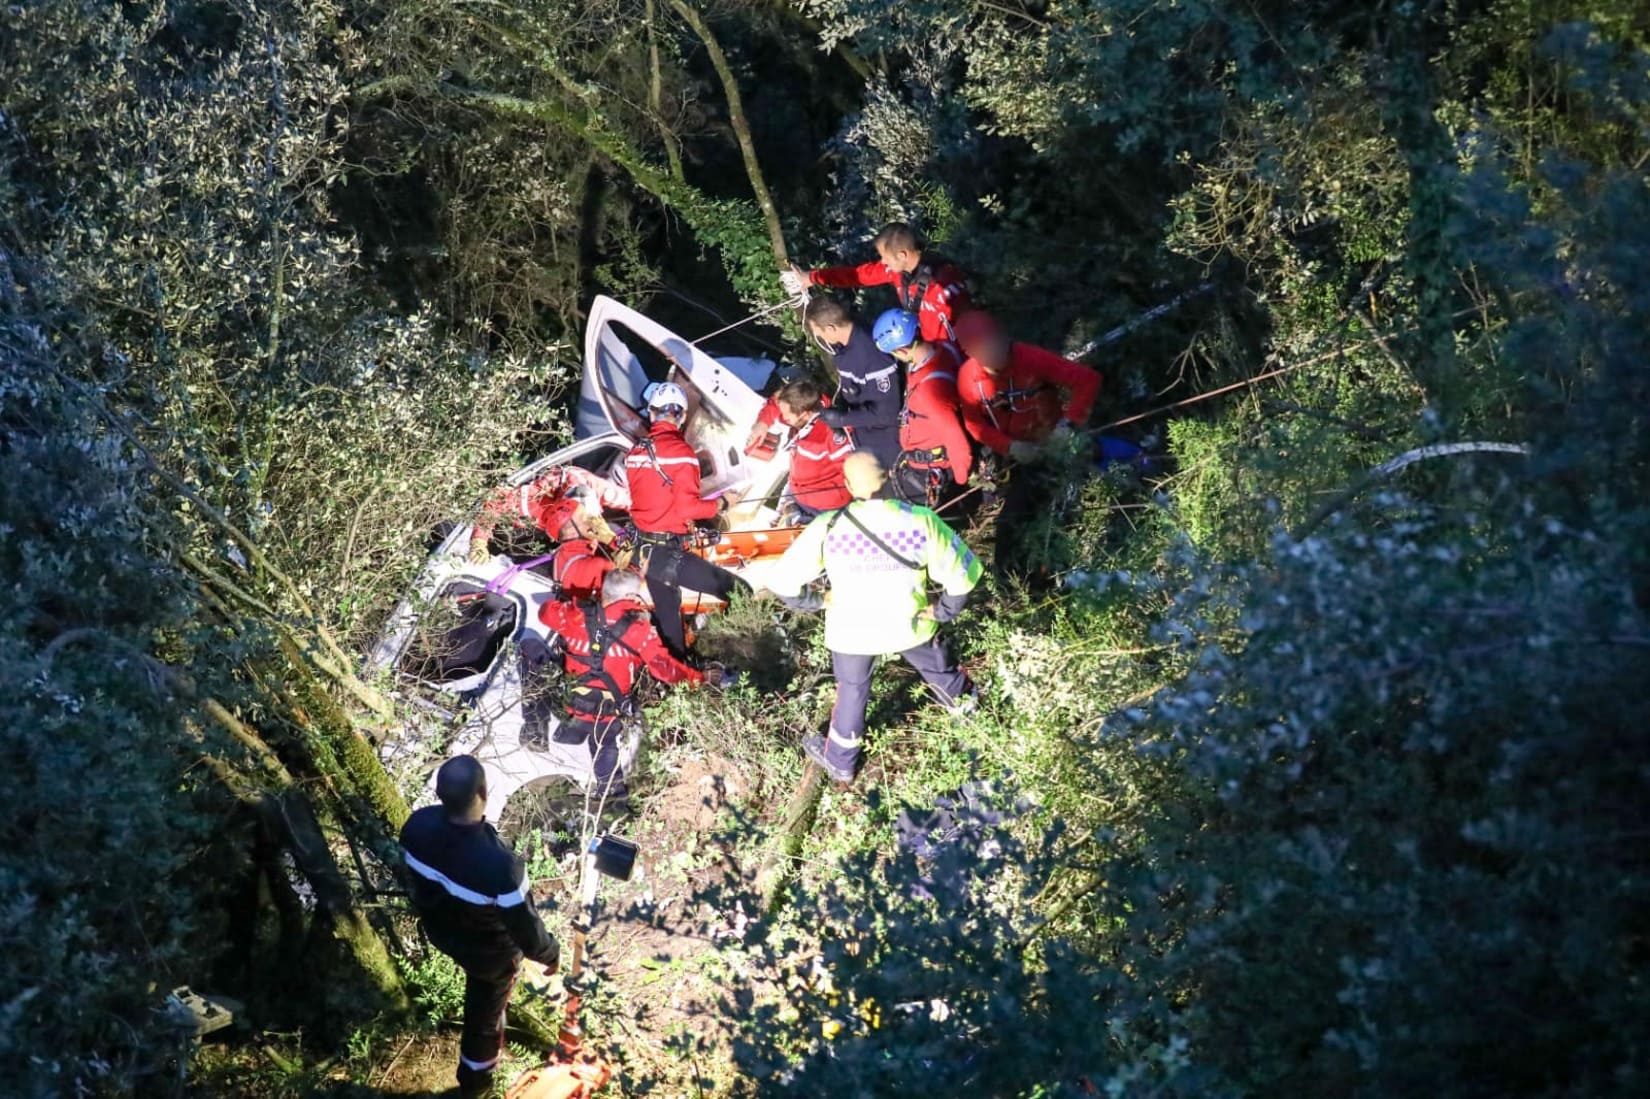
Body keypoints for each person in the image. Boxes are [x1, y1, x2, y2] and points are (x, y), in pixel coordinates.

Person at [761, 452, 981, 784]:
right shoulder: (920, 520)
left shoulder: (830, 527)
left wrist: (816, 600)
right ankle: (978, 728)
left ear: (848, 485)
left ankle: (841, 761)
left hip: (853, 631)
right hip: (910, 624)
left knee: (852, 690)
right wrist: (943, 610)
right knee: (943, 673)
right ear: (890, 476)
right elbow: (964, 574)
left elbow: (781, 582)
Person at [399, 756, 561, 1097]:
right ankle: (476, 1087)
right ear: (483, 792)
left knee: (483, 1006)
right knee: (485, 1019)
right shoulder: (500, 867)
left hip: (442, 933)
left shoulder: (416, 826)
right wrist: (551, 954)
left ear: (440, 794)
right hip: (490, 957)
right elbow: (527, 932)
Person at [537, 568, 704, 806]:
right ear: (631, 597)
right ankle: (613, 793)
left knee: (532, 650)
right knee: (604, 743)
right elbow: (664, 668)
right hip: (608, 711)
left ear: (604, 592)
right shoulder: (638, 631)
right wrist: (699, 679)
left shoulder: (573, 617)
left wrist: (578, 600)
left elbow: (545, 612)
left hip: (571, 705)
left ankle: (535, 723)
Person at [622, 381, 748, 657]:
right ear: (680, 416)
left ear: (652, 413)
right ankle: (720, 645)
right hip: (667, 553)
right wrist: (721, 504)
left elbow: (654, 499)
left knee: (670, 629)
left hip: (643, 551)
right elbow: (687, 509)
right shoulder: (683, 454)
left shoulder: (635, 454)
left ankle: (677, 676)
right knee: (740, 590)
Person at [786, 222, 972, 346]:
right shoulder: (897, 272)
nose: (882, 262)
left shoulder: (945, 282)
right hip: (923, 352)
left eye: (884, 257)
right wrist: (812, 277)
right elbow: (856, 276)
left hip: (950, 359)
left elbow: (969, 329)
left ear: (902, 255)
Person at [954, 312, 1102, 461]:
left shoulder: (1031, 358)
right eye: (984, 347)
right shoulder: (968, 378)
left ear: (1003, 336)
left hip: (1054, 440)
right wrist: (1009, 446)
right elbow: (974, 425)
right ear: (970, 353)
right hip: (1014, 456)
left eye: (995, 341)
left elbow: (1087, 380)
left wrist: (1069, 424)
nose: (995, 351)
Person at [873, 309, 974, 506]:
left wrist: (961, 482)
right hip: (923, 462)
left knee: (880, 502)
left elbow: (956, 439)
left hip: (932, 471)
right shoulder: (944, 349)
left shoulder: (930, 390)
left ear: (901, 350)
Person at [801, 295, 903, 467]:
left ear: (831, 328)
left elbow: (887, 412)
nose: (820, 338)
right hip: (865, 437)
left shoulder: (871, 354)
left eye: (819, 333)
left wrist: (843, 419)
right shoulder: (843, 346)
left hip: (888, 443)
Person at [745, 379, 855, 523]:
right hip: (796, 490)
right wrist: (762, 423)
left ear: (805, 415)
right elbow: (776, 403)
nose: (783, 418)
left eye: (787, 416)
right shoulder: (804, 403)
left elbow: (852, 472)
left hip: (824, 506)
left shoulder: (832, 436)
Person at [468, 466, 629, 563]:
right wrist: (479, 541)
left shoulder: (603, 491)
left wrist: (616, 543)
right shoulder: (538, 498)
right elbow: (495, 502)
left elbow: (636, 504)